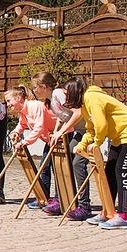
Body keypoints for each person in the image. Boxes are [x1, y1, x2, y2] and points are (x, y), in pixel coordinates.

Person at [63, 77, 127, 229]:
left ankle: (123, 217)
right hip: (118, 136)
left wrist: (97, 143)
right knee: (108, 173)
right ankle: (108, 212)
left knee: (121, 172)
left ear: (74, 91)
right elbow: (91, 129)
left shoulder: (91, 97)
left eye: (66, 93)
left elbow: (101, 125)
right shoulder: (84, 104)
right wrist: (82, 144)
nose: (65, 97)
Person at [32, 72, 91, 220]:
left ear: (44, 87)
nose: (33, 90)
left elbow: (77, 112)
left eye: (35, 87)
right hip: (78, 131)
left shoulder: (58, 93)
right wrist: (56, 131)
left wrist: (61, 132)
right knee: (62, 162)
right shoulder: (51, 99)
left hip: (87, 130)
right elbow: (62, 116)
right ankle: (61, 200)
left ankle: (84, 205)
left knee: (77, 163)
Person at [3, 85, 57, 211]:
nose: (8, 104)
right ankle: (44, 198)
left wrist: (25, 142)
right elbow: (21, 124)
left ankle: (57, 200)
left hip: (59, 137)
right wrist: (15, 132)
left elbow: (39, 126)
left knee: (56, 169)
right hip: (50, 140)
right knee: (44, 168)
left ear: (18, 98)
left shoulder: (34, 106)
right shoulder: (24, 111)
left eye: (9, 101)